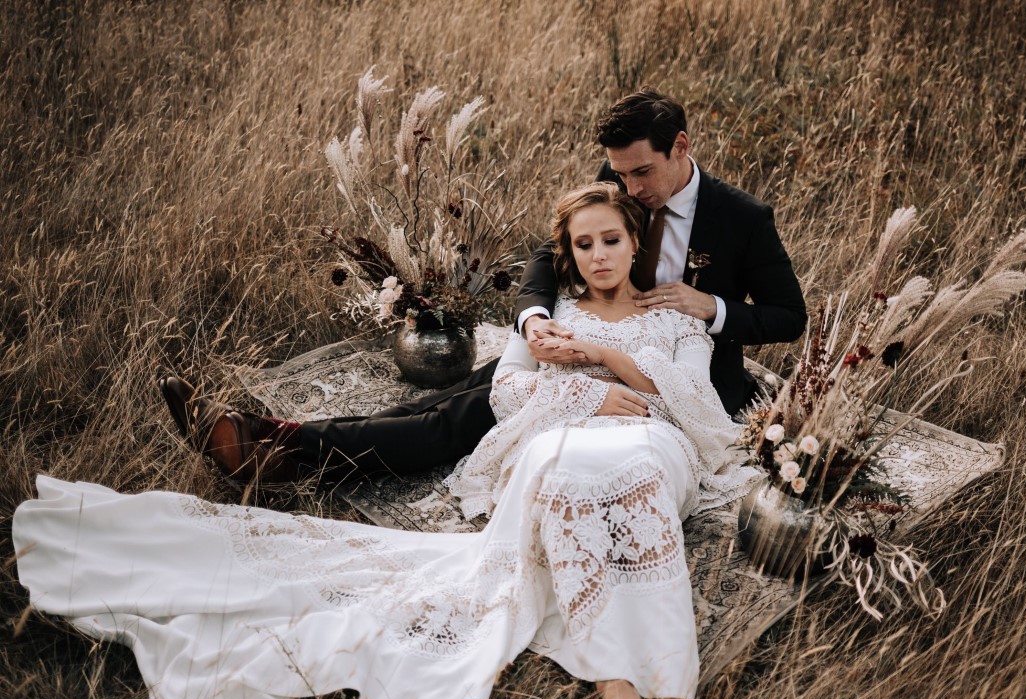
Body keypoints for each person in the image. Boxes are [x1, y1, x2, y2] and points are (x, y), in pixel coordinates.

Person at [15, 184, 756, 699]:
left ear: (636, 243)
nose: (598, 256)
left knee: (634, 495)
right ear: (571, 254)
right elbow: (508, 388)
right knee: (564, 482)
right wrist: (586, 394)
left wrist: (600, 356)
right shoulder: (551, 313)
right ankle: (618, 686)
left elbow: (693, 400)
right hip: (561, 433)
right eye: (584, 245)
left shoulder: (673, 316)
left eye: (611, 241)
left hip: (650, 441)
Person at [159, 87, 805, 486]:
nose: (629, 190)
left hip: (667, 379)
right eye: (618, 174)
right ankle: (279, 441)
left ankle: (287, 452)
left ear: (680, 147)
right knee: (454, 395)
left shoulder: (742, 218)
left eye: (639, 174)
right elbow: (549, 258)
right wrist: (530, 321)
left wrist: (713, 307)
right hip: (578, 339)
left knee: (462, 416)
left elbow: (788, 316)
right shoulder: (619, 179)